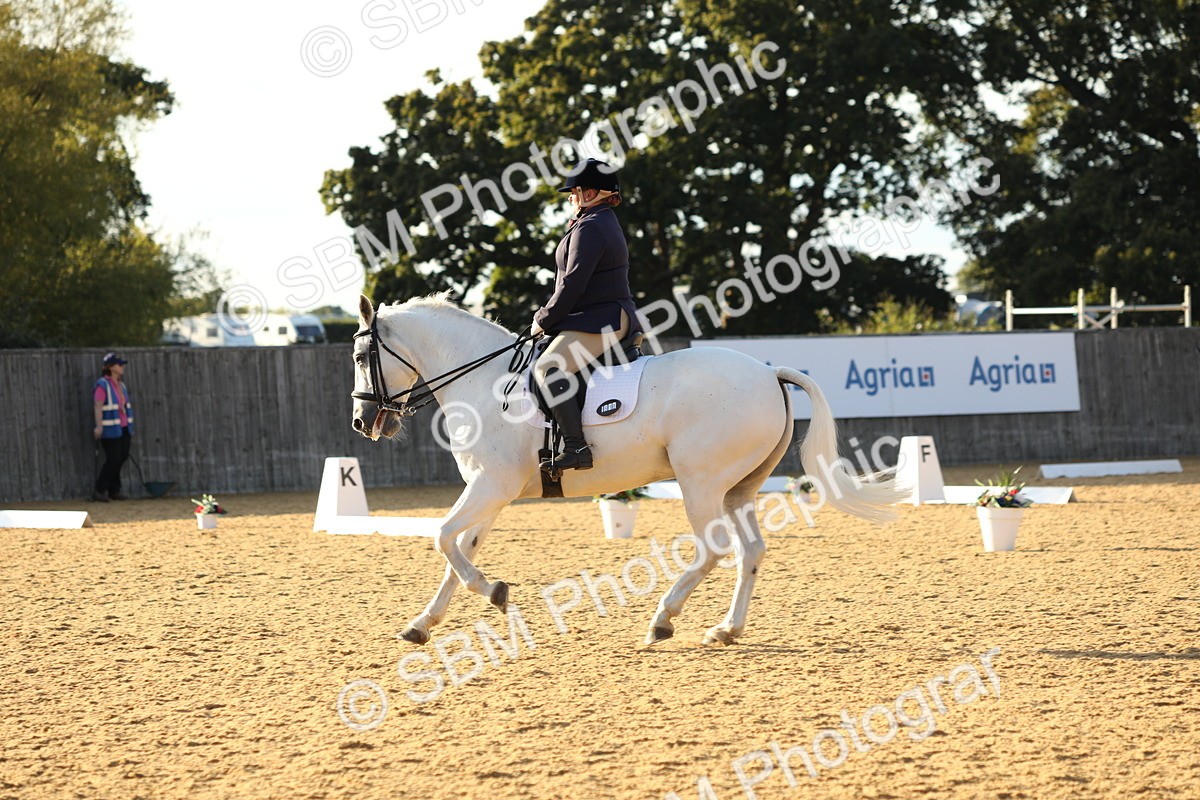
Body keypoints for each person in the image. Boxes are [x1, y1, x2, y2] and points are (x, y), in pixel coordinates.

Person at [532, 158, 642, 471]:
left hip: (602, 319)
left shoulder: (593, 227)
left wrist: (543, 319)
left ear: (591, 193)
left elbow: (573, 285)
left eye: (574, 191)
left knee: (549, 368)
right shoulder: (594, 223)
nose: (570, 197)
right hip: (594, 317)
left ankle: (577, 448)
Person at [92, 353, 134, 501]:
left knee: (122, 457)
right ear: (110, 367)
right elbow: (98, 405)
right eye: (119, 364)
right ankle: (99, 489)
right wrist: (99, 426)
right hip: (110, 428)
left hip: (123, 427)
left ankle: (114, 489)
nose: (122, 367)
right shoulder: (102, 385)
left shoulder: (121, 385)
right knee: (113, 459)